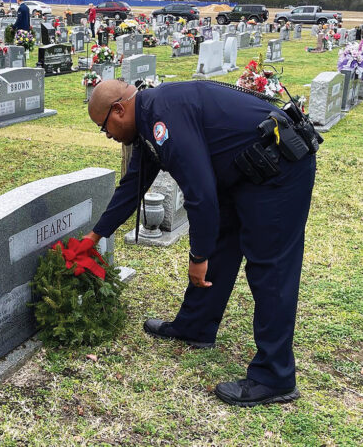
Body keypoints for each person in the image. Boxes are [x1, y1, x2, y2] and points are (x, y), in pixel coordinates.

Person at [84, 79, 319, 407]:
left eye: (104, 127)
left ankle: (275, 377)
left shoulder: (162, 118)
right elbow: (132, 186)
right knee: (223, 240)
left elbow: (201, 193)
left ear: (119, 110)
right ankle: (196, 326)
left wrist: (198, 255)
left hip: (280, 169)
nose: (107, 134)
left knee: (272, 268)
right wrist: (95, 236)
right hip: (248, 169)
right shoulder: (149, 120)